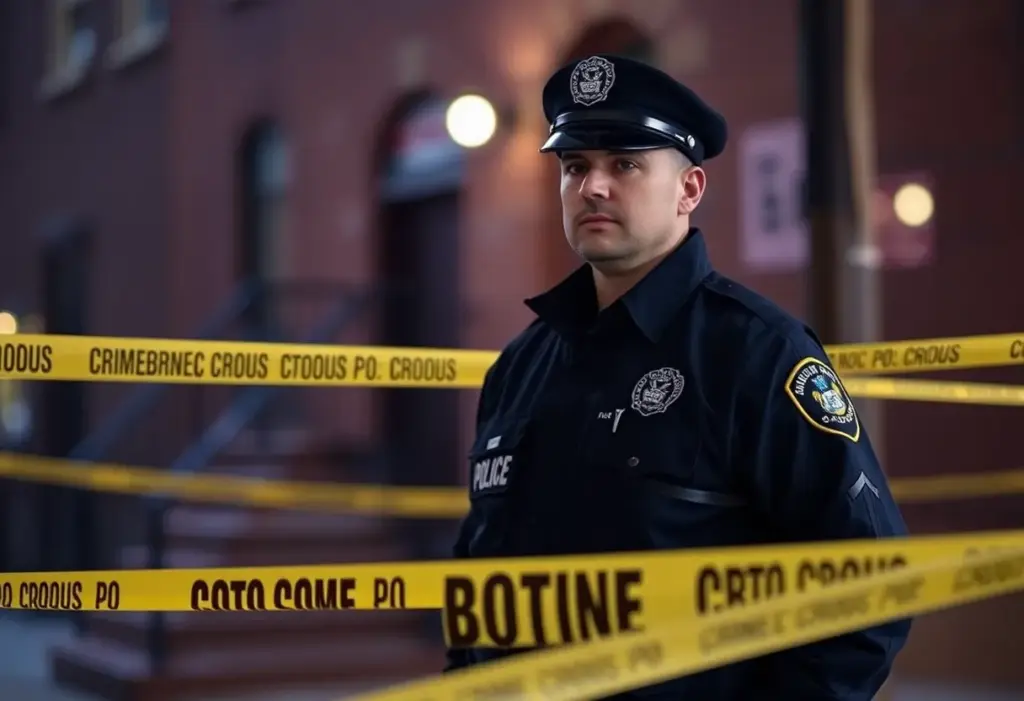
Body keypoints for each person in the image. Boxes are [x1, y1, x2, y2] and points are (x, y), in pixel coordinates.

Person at [444, 53, 911, 699]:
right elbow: (479, 578)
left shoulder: (755, 352)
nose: (593, 187)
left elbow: (870, 581)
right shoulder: (521, 365)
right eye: (575, 166)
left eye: (625, 164)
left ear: (689, 189)